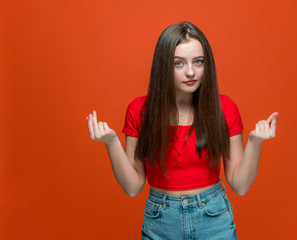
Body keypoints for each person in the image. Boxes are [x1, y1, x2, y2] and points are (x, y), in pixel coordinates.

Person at [86, 21, 278, 240]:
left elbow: (241, 185)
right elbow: (132, 187)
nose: (190, 72)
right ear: (163, 65)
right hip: (161, 221)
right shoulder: (139, 110)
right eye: (179, 63)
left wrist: (255, 143)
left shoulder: (224, 109)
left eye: (198, 62)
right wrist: (111, 143)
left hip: (214, 219)